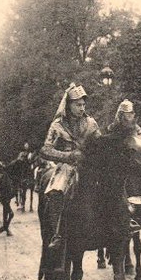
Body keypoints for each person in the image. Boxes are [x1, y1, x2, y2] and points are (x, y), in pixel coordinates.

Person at [39, 84, 101, 262]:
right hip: (66, 166)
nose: (82, 108)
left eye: (83, 105)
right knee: (56, 191)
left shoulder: (91, 123)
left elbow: (100, 143)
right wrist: (68, 156)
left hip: (89, 166)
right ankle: (57, 233)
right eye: (78, 105)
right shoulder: (57, 126)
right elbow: (45, 150)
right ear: (68, 105)